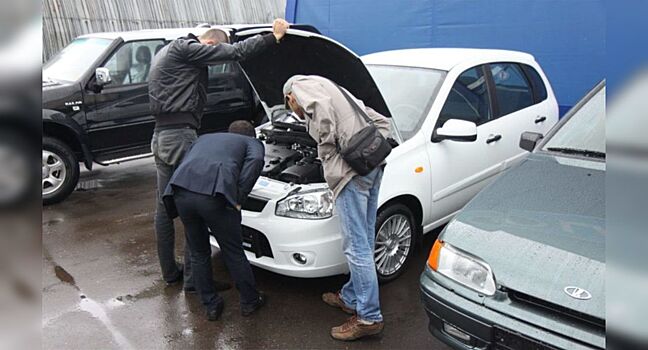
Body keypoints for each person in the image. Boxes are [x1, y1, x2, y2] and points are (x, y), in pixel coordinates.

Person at [148, 19, 289, 291]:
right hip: (179, 136)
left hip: (161, 135)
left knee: (165, 209)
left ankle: (171, 272)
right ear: (211, 44)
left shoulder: (165, 51)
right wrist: (273, 37)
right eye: (215, 53)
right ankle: (195, 281)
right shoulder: (185, 48)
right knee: (195, 204)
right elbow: (236, 52)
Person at [282, 75, 391, 341]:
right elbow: (381, 122)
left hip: (351, 174)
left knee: (355, 247)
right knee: (363, 239)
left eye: (293, 110)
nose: (297, 115)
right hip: (372, 166)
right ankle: (352, 297)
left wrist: (329, 153)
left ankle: (368, 317)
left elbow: (322, 116)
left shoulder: (300, 87)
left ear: (289, 98)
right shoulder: (339, 91)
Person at [162, 121, 266, 321]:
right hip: (214, 196)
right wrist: (237, 197)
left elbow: (187, 162)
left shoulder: (205, 138)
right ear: (251, 135)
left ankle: (210, 304)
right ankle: (250, 301)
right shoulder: (251, 142)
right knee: (233, 251)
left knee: (199, 252)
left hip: (181, 192)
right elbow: (255, 161)